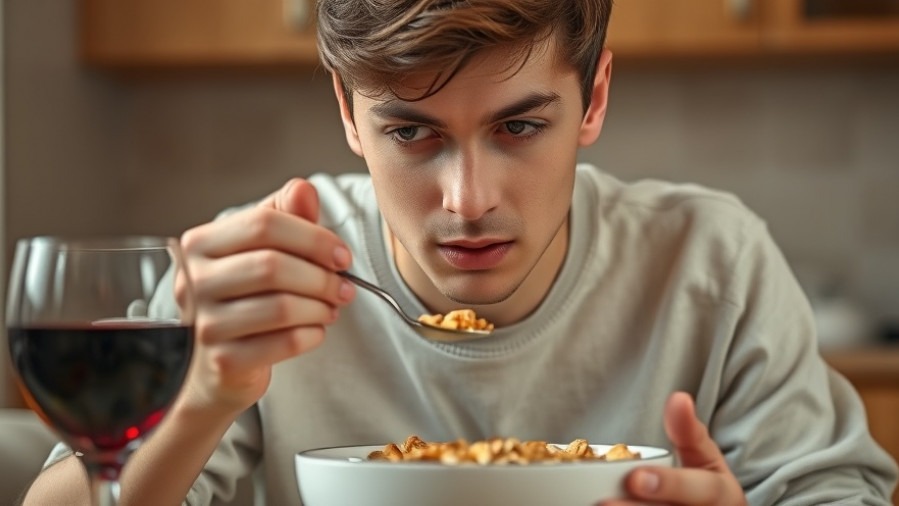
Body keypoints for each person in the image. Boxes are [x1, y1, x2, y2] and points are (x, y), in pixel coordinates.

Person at [22, 0, 898, 504]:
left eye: (519, 125)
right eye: (411, 132)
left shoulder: (710, 261)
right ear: (345, 112)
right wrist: (205, 395)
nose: (467, 201)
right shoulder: (257, 275)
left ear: (592, 98)